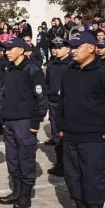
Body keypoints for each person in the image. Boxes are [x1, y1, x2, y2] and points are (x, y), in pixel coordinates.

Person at [56, 32, 105, 208]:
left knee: (93, 177)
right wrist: (60, 126)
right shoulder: (69, 72)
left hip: (95, 137)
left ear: (92, 48)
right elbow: (62, 102)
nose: (73, 50)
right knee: (73, 176)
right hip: (70, 135)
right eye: (71, 47)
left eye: (77, 47)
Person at [0, 37, 48, 208]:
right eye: (6, 49)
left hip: (24, 122)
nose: (7, 52)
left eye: (11, 49)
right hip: (9, 122)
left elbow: (41, 99)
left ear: (21, 50)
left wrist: (35, 122)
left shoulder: (32, 69)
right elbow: (3, 95)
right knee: (12, 158)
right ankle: (16, 191)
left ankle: (25, 196)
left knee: (25, 159)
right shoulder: (9, 69)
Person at [44, 39, 70, 176]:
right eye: (54, 48)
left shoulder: (72, 64)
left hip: (67, 105)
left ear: (68, 49)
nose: (55, 50)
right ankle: (60, 163)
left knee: (65, 136)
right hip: (54, 103)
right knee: (56, 135)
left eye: (59, 48)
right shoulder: (52, 64)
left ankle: (67, 165)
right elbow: (47, 82)